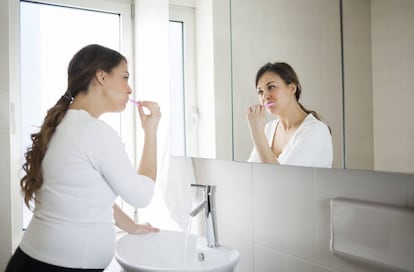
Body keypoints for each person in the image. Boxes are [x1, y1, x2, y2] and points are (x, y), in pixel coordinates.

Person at [6, 44, 161, 271]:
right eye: (125, 77)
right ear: (101, 76)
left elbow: (89, 195)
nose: (130, 89)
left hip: (32, 261)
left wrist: (132, 226)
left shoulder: (62, 124)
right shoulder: (94, 132)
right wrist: (151, 132)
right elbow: (142, 195)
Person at [246, 62, 333, 168]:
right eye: (260, 91)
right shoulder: (268, 129)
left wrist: (257, 134)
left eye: (271, 87)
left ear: (292, 88)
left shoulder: (316, 130)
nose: (265, 96)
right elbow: (250, 173)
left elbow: (283, 180)